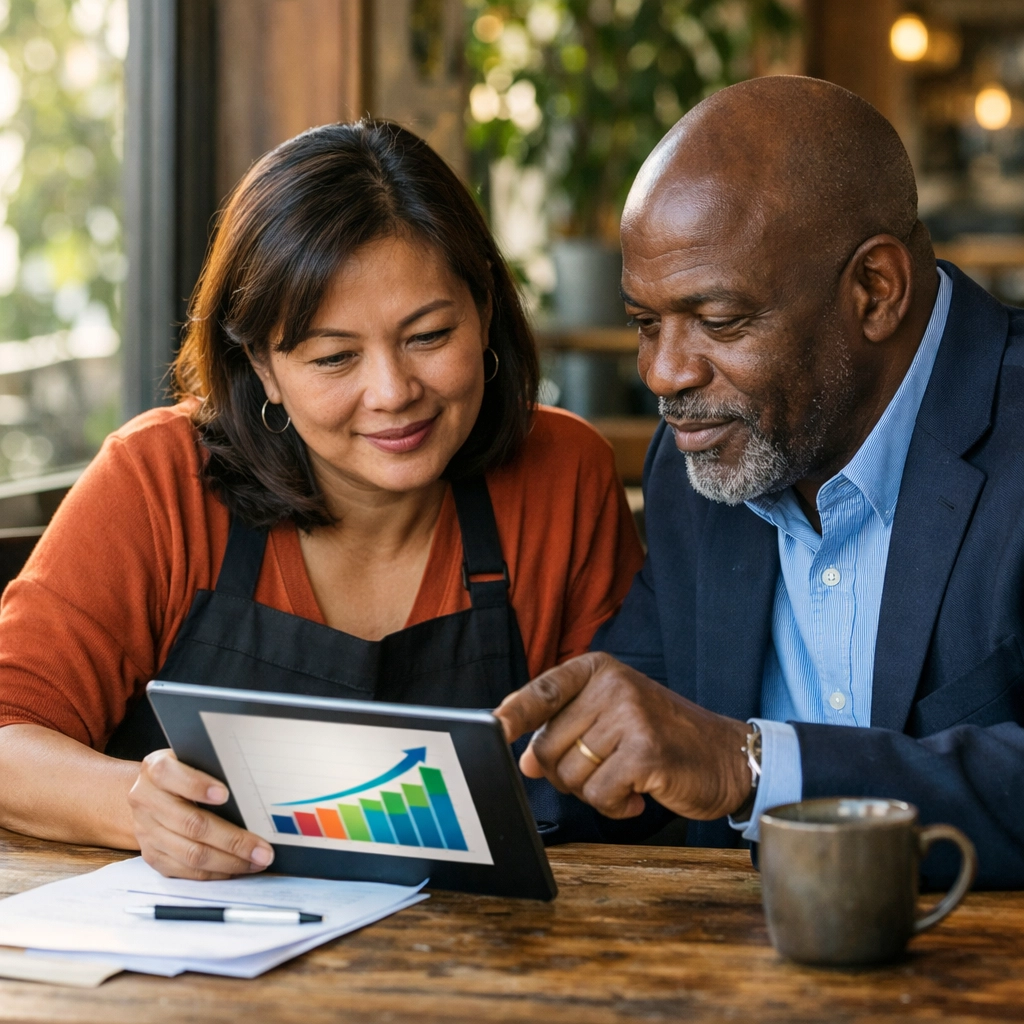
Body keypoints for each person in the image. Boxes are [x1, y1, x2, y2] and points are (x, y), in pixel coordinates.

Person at [0, 121, 643, 878]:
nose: (393, 392)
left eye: (429, 336)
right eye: (335, 357)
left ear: (485, 315)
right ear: (262, 368)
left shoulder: (564, 474)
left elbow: (629, 752)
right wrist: (135, 805)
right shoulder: (157, 479)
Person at [494, 77, 1024, 889]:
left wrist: (750, 766)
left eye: (719, 321)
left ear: (875, 290)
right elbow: (625, 741)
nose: (664, 374)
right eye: (645, 324)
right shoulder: (701, 463)